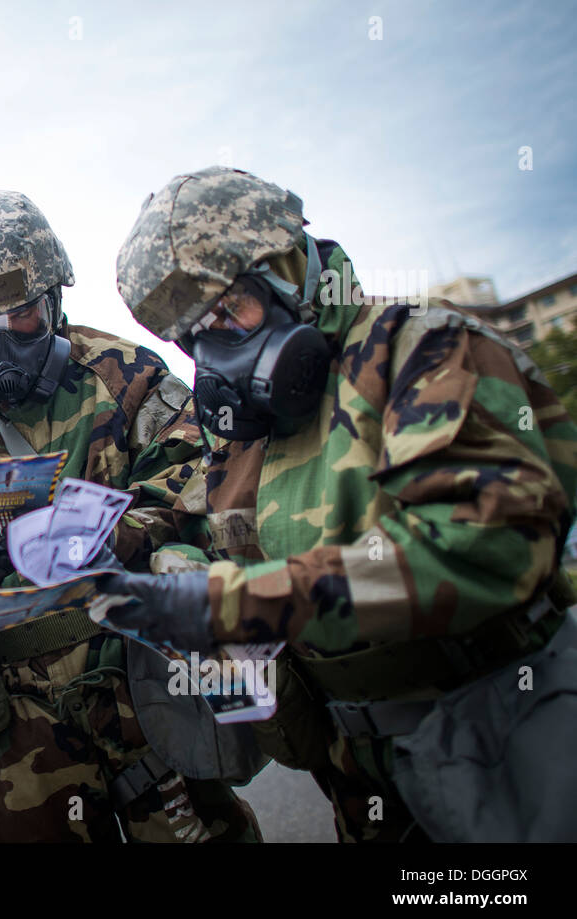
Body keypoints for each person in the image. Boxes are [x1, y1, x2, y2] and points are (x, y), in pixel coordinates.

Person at [104, 165, 577, 842]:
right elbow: (216, 541)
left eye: (230, 309)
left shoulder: (424, 349)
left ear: (291, 268)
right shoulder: (242, 430)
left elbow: (486, 546)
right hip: (363, 787)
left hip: (503, 755)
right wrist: (177, 567)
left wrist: (236, 599)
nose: (218, 351)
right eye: (194, 335)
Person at [0, 189, 261, 843]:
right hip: (14, 716)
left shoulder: (126, 372)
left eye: (21, 313)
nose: (1, 337)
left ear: (53, 297)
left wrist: (117, 535)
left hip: (141, 679)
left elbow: (198, 477)